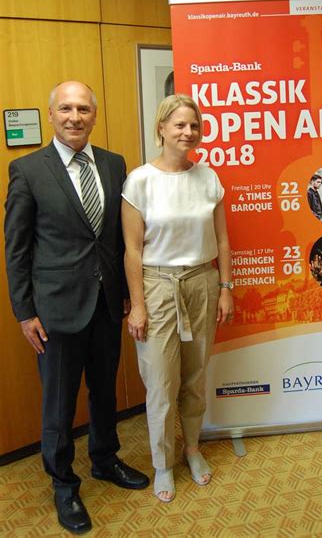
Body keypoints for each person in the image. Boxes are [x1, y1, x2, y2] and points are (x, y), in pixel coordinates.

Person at [4, 81, 150, 534]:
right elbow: (16, 248)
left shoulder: (112, 163)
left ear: (94, 114)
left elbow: (114, 237)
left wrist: (127, 293)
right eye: (65, 108)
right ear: (51, 114)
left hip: (107, 303)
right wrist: (25, 311)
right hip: (55, 311)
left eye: (83, 109)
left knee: (104, 392)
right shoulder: (27, 169)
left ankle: (105, 459)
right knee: (58, 405)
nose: (75, 117)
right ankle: (64, 484)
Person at [121, 94, 233, 503]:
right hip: (157, 287)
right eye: (180, 125)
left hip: (202, 282)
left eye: (194, 126)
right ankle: (163, 463)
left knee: (194, 377)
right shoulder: (140, 180)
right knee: (161, 382)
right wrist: (137, 304)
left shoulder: (209, 178)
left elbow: (222, 239)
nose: (188, 133)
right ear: (162, 128)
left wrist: (225, 287)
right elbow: (132, 250)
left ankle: (192, 450)